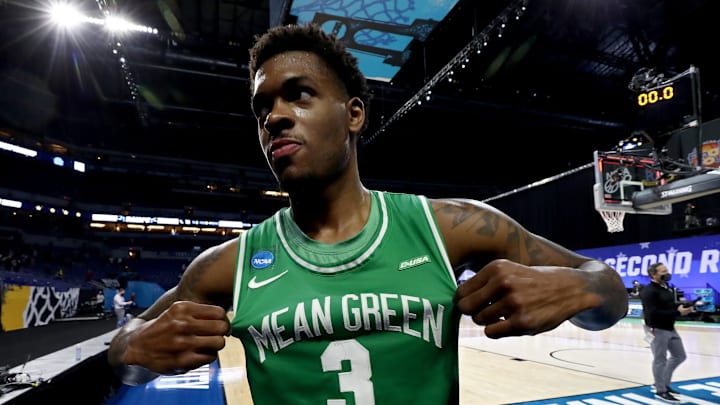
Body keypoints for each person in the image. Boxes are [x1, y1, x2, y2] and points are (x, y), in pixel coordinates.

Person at [107, 23, 629, 403]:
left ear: (354, 113)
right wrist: (135, 348)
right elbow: (123, 352)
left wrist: (582, 289)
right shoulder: (226, 265)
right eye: (262, 108)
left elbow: (609, 291)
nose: (276, 117)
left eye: (299, 95)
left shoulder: (452, 225)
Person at [639, 262, 694, 402]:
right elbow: (653, 314)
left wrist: (684, 308)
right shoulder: (648, 291)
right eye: (663, 271)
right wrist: (677, 312)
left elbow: (669, 306)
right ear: (653, 274)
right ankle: (660, 390)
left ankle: (663, 383)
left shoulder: (666, 288)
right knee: (660, 360)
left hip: (670, 327)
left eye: (666, 270)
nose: (667, 273)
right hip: (656, 328)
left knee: (679, 356)